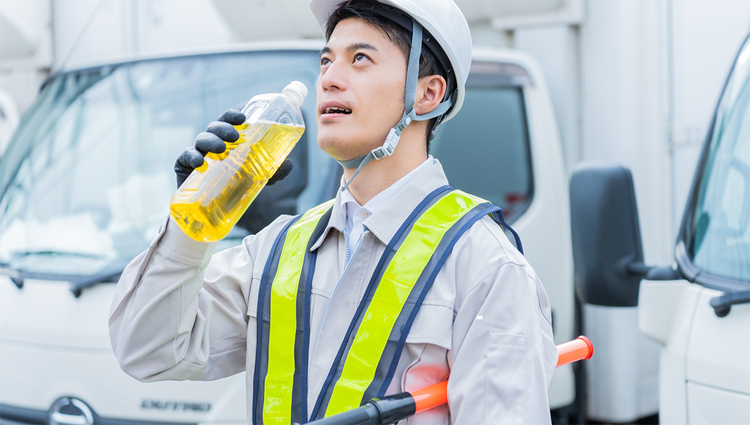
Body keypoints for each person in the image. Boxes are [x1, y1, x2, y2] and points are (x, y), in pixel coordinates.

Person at [108, 0, 557, 423]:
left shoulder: (485, 266)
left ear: (426, 94)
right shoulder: (278, 248)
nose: (329, 79)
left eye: (359, 58)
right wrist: (190, 227)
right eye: (326, 61)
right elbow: (147, 350)